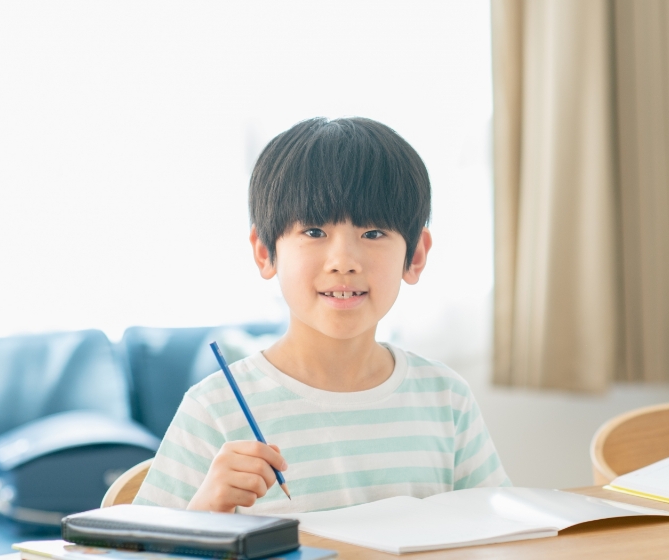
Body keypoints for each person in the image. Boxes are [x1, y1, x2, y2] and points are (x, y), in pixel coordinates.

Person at [133, 117, 509, 514]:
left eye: (373, 233)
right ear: (265, 252)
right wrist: (204, 512)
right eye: (313, 232)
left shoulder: (446, 398)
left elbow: (496, 531)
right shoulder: (215, 407)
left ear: (415, 256)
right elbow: (134, 549)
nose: (343, 261)